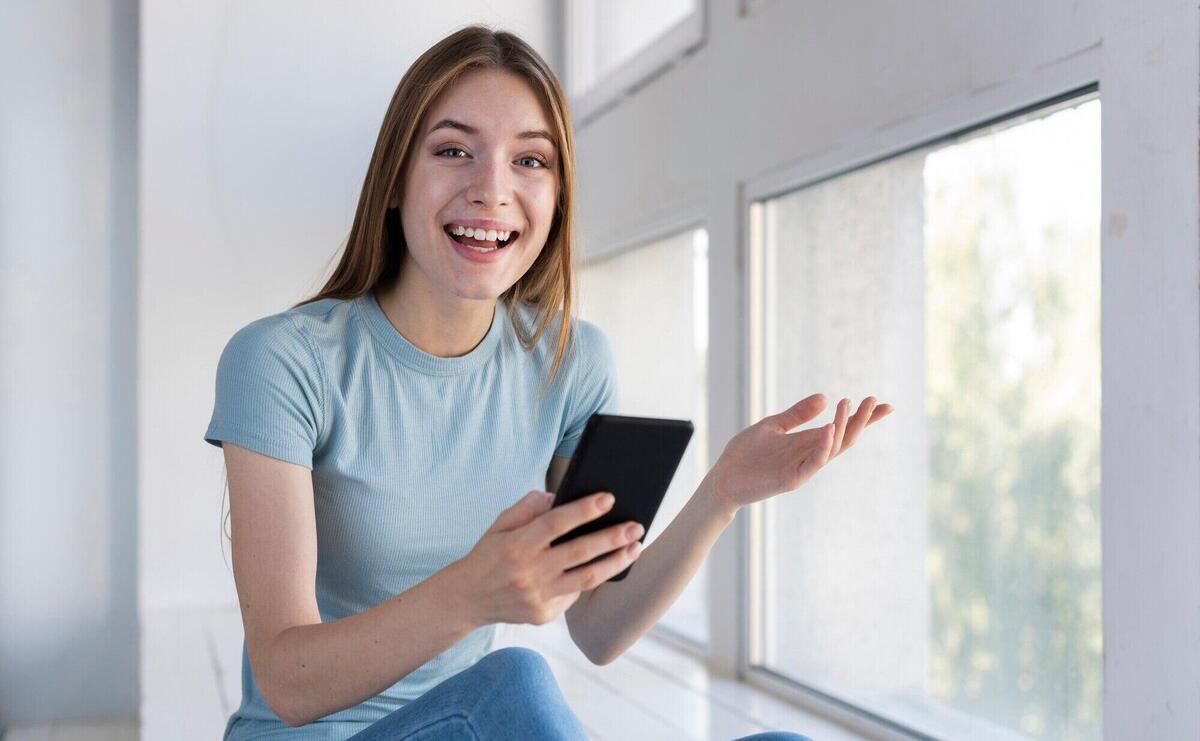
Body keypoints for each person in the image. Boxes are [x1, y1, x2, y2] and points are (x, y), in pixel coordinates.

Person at [204, 24, 891, 741]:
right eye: (452, 151)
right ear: (393, 182)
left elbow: (595, 626)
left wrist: (720, 494)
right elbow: (285, 679)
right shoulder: (280, 361)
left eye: (529, 160)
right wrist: (471, 592)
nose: (491, 190)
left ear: (556, 197)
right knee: (516, 680)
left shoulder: (571, 361)